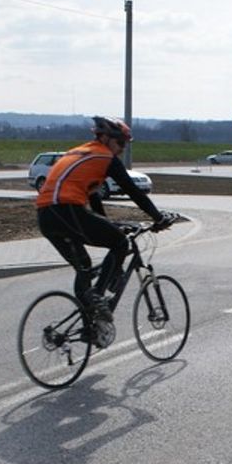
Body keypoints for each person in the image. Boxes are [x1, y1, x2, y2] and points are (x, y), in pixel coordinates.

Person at [36, 116, 170, 322]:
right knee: (120, 243)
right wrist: (158, 218)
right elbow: (133, 191)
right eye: (121, 143)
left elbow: (93, 196)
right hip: (66, 209)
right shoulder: (105, 157)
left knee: (84, 268)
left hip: (46, 216)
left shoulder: (81, 153)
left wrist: (106, 223)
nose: (123, 149)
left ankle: (89, 323)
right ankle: (98, 297)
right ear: (106, 139)